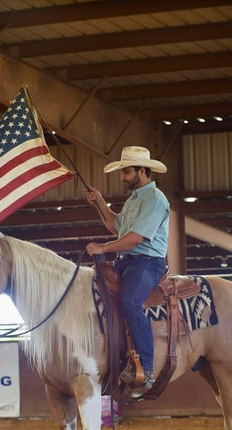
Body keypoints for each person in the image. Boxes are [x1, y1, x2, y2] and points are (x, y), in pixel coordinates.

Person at [85, 146, 170, 398]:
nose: (123, 178)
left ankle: (146, 369)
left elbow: (136, 237)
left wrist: (103, 247)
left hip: (148, 262)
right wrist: (100, 202)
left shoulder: (156, 199)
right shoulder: (135, 199)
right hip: (127, 260)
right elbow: (117, 227)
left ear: (142, 171)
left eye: (126, 172)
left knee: (131, 301)